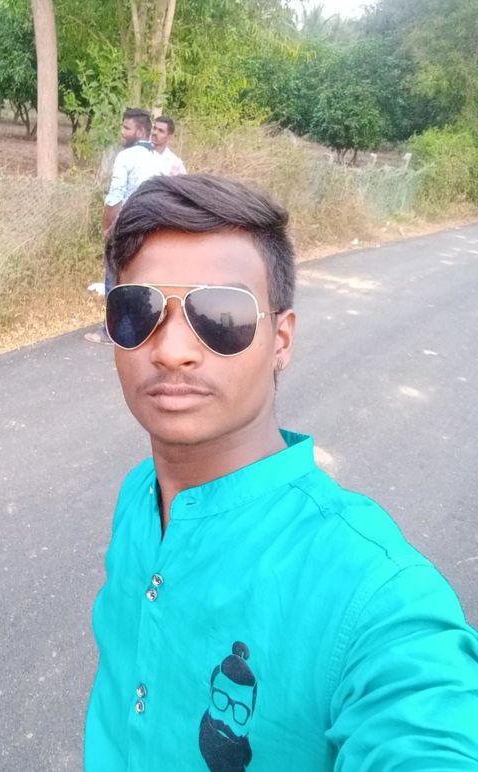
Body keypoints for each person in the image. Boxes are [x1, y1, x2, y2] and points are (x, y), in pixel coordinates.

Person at [84, 174, 478, 770]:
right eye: (138, 310)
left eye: (221, 315)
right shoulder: (138, 496)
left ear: (281, 339)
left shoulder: (371, 591)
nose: (170, 350)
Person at [85, 108, 164, 345]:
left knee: (115, 276)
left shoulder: (126, 157)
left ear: (139, 131)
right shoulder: (158, 160)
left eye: (126, 127)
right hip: (151, 227)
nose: (122, 131)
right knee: (140, 277)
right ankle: (142, 328)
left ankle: (111, 331)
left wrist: (106, 227)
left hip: (126, 225)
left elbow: (115, 197)